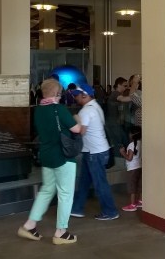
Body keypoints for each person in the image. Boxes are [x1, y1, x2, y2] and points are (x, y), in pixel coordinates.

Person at [18, 78, 82, 245]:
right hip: (63, 156)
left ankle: (29, 225)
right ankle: (61, 231)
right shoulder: (58, 109)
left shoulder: (38, 111)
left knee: (46, 190)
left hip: (46, 155)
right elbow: (76, 129)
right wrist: (79, 120)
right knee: (65, 194)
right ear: (56, 93)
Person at [70, 83, 120, 221]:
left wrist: (74, 119)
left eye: (77, 96)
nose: (75, 98)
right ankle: (77, 208)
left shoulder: (86, 111)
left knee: (100, 183)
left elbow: (81, 131)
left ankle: (110, 211)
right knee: (85, 181)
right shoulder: (96, 107)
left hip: (94, 153)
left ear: (84, 95)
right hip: (95, 151)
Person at [120, 126, 142, 212]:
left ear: (132, 135)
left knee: (132, 186)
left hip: (132, 168)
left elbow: (129, 158)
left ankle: (132, 205)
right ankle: (140, 201)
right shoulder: (141, 143)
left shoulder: (131, 145)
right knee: (139, 184)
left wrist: (122, 152)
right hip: (139, 167)